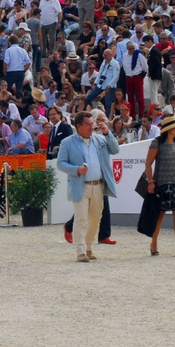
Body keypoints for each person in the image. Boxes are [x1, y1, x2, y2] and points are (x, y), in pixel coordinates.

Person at [55, 111, 119, 263]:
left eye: (93, 124)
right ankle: (81, 251)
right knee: (81, 218)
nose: (92, 127)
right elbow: (60, 163)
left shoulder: (99, 139)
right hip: (80, 184)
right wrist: (76, 169)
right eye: (88, 124)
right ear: (79, 126)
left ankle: (89, 247)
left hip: (98, 185)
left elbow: (115, 150)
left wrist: (107, 133)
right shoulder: (67, 142)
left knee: (96, 218)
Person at [144, 115, 175, 256]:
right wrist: (150, 182)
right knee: (159, 215)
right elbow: (148, 163)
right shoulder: (157, 143)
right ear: (169, 129)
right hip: (161, 184)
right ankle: (153, 243)